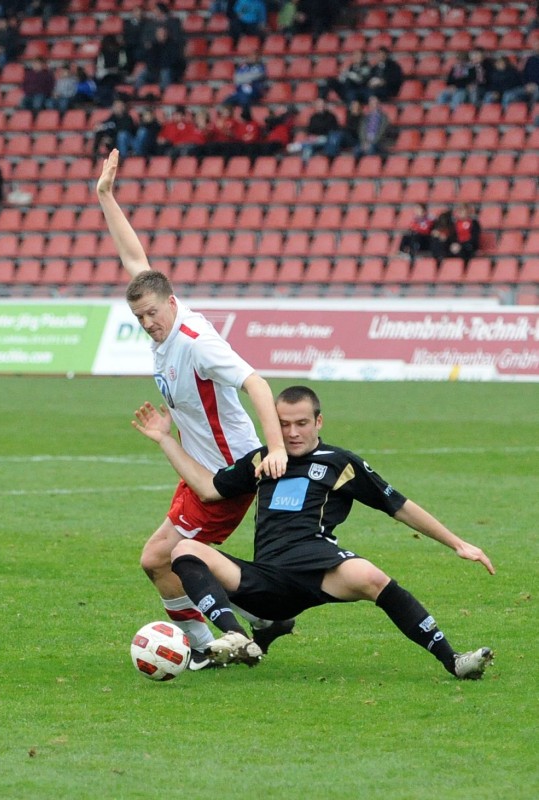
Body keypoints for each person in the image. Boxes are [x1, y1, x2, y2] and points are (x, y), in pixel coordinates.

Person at [132, 385, 495, 680]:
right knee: (183, 551)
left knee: (371, 576)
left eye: (301, 423)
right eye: (283, 423)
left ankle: (454, 661)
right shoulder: (263, 460)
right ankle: (237, 636)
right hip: (267, 579)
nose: (292, 432)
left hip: (319, 569)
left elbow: (397, 505)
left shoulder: (339, 463)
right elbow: (209, 488)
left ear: (318, 421)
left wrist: (458, 543)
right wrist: (165, 439)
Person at [96, 149, 291, 669]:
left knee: (159, 558)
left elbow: (257, 382)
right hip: (198, 466)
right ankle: (256, 622)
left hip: (226, 472)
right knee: (165, 559)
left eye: (152, 314)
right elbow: (135, 261)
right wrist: (105, 197)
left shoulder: (196, 341)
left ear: (171, 301)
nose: (147, 324)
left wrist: (274, 449)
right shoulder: (160, 311)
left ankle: (216, 643)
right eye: (139, 318)